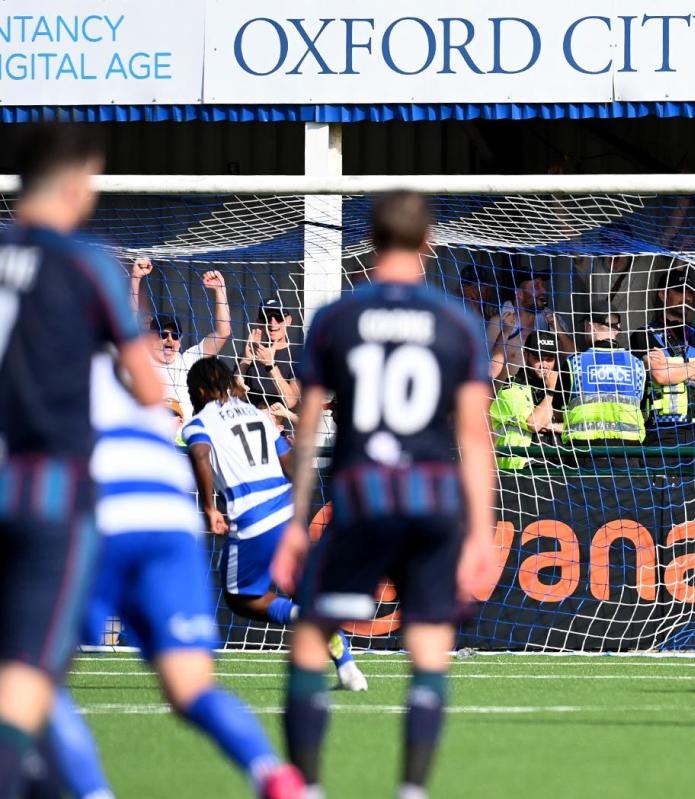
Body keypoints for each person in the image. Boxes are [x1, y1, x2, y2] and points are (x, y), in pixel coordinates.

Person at [270, 192, 500, 797]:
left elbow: (308, 426)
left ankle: (311, 786)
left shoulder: (334, 320)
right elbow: (476, 437)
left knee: (311, 637)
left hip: (361, 501)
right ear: (427, 243)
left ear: (368, 242)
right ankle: (412, 791)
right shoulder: (456, 323)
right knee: (429, 645)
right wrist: (481, 533)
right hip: (432, 503)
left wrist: (295, 523)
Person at [46, 354, 305, 799]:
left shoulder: (35, 371)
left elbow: (199, 450)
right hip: (168, 513)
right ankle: (271, 773)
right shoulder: (119, 371)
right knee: (192, 686)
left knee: (34, 677)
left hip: (104, 513)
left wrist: (209, 506)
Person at [0, 123, 161, 796]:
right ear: (75, 181)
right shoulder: (85, 261)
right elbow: (150, 385)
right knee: (29, 681)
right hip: (50, 496)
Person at [182, 357, 366, 692]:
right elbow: (291, 466)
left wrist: (209, 508)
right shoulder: (258, 415)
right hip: (287, 508)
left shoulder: (197, 424)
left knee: (241, 597)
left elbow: (199, 455)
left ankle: (304, 620)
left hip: (252, 515)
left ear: (199, 389)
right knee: (305, 590)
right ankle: (348, 668)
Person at [630, 270, 695, 455]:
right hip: (661, 431)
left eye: (690, 292)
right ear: (663, 295)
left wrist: (674, 368)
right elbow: (661, 375)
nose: (687, 297)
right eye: (680, 291)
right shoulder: (645, 334)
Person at [134, 258, 231, 418]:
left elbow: (223, 333)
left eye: (175, 335)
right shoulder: (143, 359)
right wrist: (136, 278)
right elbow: (129, 324)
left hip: (180, 439)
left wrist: (220, 290)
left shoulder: (188, 362)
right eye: (163, 335)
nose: (170, 339)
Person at [562, 310, 647, 450]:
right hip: (629, 451)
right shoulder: (637, 365)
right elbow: (643, 409)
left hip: (584, 450)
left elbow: (559, 409)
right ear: (617, 329)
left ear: (590, 326)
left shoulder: (574, 363)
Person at [491, 331, 567, 470]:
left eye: (549, 358)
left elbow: (574, 423)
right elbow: (535, 424)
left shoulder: (560, 387)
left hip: (556, 464)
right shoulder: (511, 388)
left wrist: (555, 426)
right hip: (521, 468)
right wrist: (550, 392)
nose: (544, 364)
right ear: (526, 355)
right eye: (538, 358)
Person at [486, 269, 572, 379]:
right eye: (536, 286)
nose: (544, 291)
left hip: (543, 394)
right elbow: (487, 372)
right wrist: (505, 333)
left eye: (543, 286)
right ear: (520, 294)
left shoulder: (550, 321)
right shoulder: (499, 323)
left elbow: (575, 359)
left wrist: (558, 329)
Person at [240, 294, 300, 412]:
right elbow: (234, 396)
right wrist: (246, 360)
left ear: (288, 321)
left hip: (280, 428)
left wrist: (270, 365)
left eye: (278, 317)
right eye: (267, 317)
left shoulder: (298, 356)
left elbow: (291, 401)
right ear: (259, 322)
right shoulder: (251, 352)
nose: (273, 323)